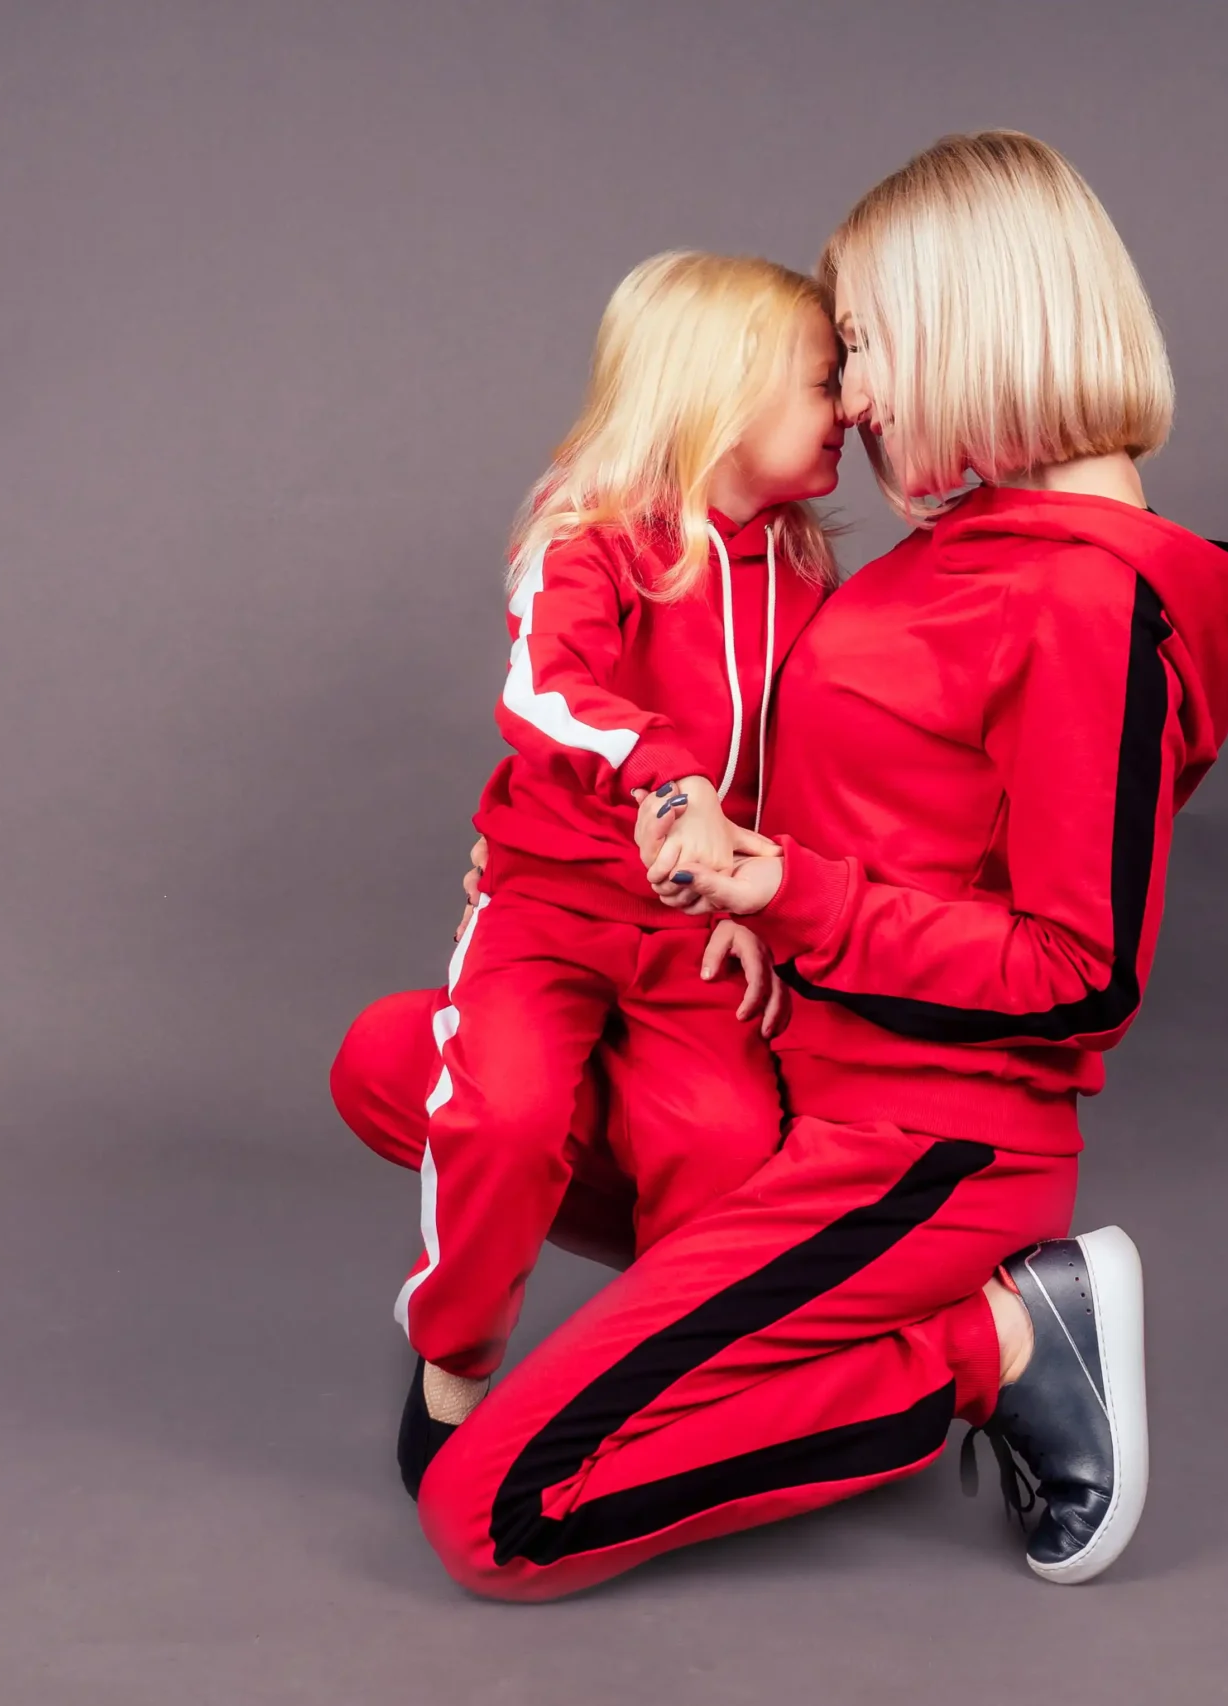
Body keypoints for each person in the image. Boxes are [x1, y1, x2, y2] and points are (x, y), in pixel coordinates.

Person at [338, 131, 1228, 1597]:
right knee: (405, 1066)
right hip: (779, 1065)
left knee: (494, 1518)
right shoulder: (966, 538)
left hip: (917, 1144)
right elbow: (749, 728)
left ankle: (1004, 1342)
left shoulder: (1092, 599)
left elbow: (1080, 978)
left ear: (975, 325)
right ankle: (772, 1317)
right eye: (837, 360)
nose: (860, 396)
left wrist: (785, 892)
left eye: (864, 348)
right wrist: (576, 843)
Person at [374, 251, 848, 1497]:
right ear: (720, 399)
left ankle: (664, 1391)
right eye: (822, 382)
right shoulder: (591, 535)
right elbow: (547, 687)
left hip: (695, 928)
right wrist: (669, 777)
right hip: (552, 904)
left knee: (726, 1142)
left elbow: (811, 754)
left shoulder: (804, 566)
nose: (847, 405)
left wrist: (769, 892)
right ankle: (453, 1366)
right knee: (505, 1110)